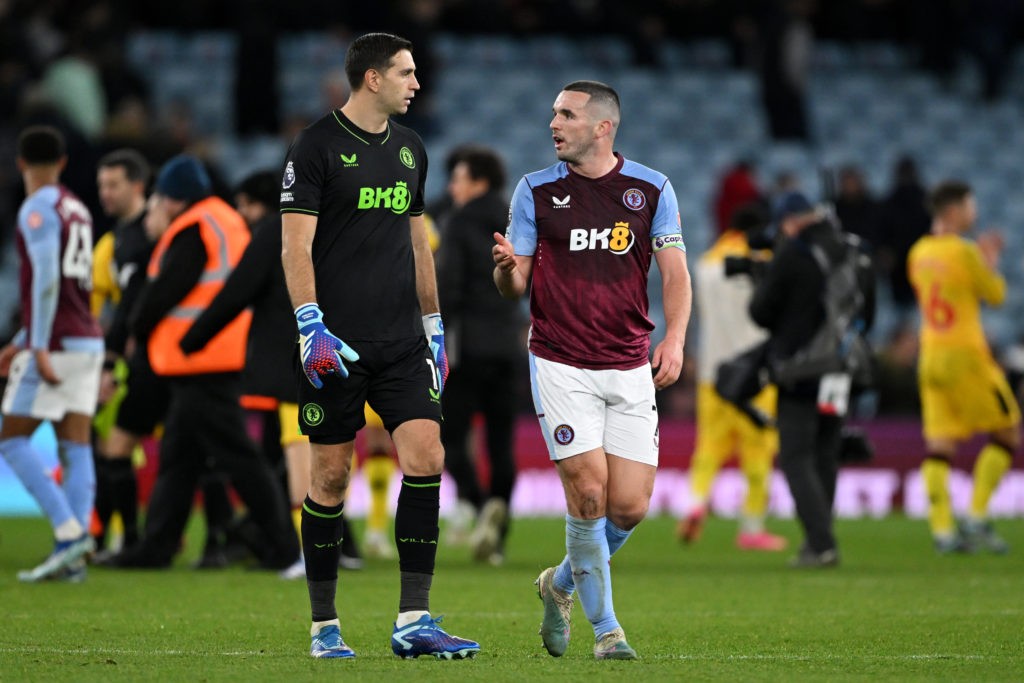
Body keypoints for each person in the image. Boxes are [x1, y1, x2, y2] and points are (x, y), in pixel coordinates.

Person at [279, 32, 479, 661]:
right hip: (334, 344)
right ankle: (324, 626)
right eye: (406, 72)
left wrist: (434, 323)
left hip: (400, 342)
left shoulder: (412, 150)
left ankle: (413, 620)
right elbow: (294, 246)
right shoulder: (315, 148)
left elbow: (417, 243)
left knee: (427, 456)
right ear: (372, 78)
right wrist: (310, 323)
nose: (417, 83)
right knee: (332, 477)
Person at [493, 80, 691, 660]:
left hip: (629, 363)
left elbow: (675, 275)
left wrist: (674, 339)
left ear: (603, 127)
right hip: (560, 362)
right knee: (588, 493)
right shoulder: (535, 191)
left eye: (567, 114)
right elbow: (515, 285)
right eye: (553, 113)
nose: (553, 123)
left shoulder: (652, 189)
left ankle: (558, 585)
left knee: (628, 507)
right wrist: (505, 268)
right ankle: (607, 630)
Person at [105, 155, 298, 570]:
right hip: (214, 357)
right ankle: (156, 547)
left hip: (199, 359)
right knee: (179, 457)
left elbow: (166, 290)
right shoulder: (223, 220)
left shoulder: (194, 229)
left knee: (240, 458)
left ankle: (285, 548)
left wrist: (138, 326)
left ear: (173, 200)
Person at [179, 171, 362, 576]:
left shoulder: (278, 231)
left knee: (300, 457)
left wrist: (191, 339)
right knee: (328, 457)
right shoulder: (344, 227)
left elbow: (236, 291)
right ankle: (338, 545)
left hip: (294, 365)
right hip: (342, 358)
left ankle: (305, 554)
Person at [0, 125, 103, 582]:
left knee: (12, 438)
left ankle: (68, 532)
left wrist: (36, 344)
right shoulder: (77, 207)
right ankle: (74, 558)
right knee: (75, 443)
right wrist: (23, 339)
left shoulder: (37, 208)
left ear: (20, 163)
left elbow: (46, 279)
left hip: (57, 342)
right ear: (61, 163)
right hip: (87, 339)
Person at [748, 191, 873, 568]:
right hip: (842, 370)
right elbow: (872, 311)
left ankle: (821, 544)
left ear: (790, 222)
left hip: (801, 373)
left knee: (796, 455)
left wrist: (763, 278)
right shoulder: (855, 250)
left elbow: (761, 313)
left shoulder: (794, 254)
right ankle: (820, 541)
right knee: (826, 451)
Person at [907, 180, 1019, 554]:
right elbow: (997, 295)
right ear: (953, 211)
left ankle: (942, 530)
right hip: (966, 355)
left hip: (930, 355)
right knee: (1008, 433)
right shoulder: (965, 251)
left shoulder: (918, 252)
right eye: (970, 207)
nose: (974, 213)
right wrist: (989, 260)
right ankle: (976, 514)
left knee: (939, 446)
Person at [678, 203, 787, 552]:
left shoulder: (706, 263)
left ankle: (696, 504)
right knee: (758, 448)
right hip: (755, 372)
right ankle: (752, 527)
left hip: (713, 371)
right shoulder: (764, 263)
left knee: (709, 446)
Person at [435, 144, 525, 566]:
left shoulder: (458, 223)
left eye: (458, 178)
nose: (452, 186)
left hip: (467, 348)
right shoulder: (517, 221)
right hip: (510, 345)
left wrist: (432, 334)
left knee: (450, 437)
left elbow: (448, 287)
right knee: (502, 442)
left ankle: (476, 498)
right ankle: (498, 532)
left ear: (479, 181)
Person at [90, 148, 160, 555]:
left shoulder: (145, 238)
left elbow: (132, 305)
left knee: (115, 447)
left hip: (150, 360)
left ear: (137, 186)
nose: (105, 193)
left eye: (113, 184)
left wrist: (111, 359)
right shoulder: (114, 242)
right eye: (101, 185)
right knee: (111, 448)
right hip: (131, 359)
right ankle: (119, 537)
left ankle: (127, 538)